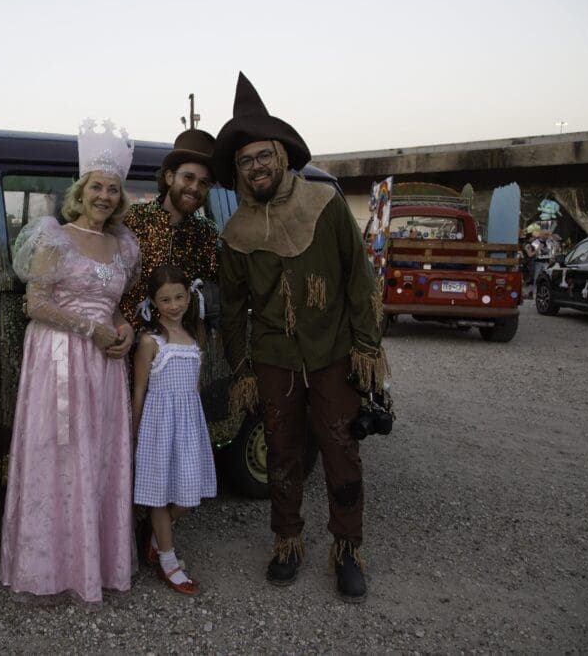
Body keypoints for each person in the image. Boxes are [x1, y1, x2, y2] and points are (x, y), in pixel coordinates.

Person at [214, 73, 388, 603]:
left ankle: (348, 549)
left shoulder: (326, 204)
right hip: (273, 359)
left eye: (263, 156)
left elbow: (358, 279)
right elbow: (232, 307)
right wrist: (242, 368)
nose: (257, 167)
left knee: (340, 450)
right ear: (239, 171)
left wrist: (365, 348)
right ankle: (287, 542)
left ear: (282, 156)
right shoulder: (236, 232)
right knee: (282, 452)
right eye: (246, 161)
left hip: (334, 353)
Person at [0, 119, 139, 603]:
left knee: (98, 459)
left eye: (113, 189)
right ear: (81, 191)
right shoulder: (53, 236)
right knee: (57, 457)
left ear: (120, 198)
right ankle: (49, 570)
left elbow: (114, 303)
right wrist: (92, 330)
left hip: (103, 364)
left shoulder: (123, 245)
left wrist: (125, 330)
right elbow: (34, 304)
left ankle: (95, 565)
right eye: (97, 187)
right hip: (58, 359)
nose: (104, 196)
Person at [131, 266, 217, 597]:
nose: (174, 305)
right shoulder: (150, 341)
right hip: (158, 425)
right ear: (153, 302)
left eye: (179, 296)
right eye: (165, 300)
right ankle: (168, 560)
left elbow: (193, 388)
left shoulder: (194, 338)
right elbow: (139, 390)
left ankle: (155, 535)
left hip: (187, 424)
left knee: (188, 494)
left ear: (188, 295)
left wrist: (195, 426)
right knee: (159, 494)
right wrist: (135, 432)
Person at [121, 129, 219, 331]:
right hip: (127, 346)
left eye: (203, 183)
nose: (194, 188)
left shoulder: (206, 232)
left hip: (179, 351)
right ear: (169, 177)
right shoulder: (132, 218)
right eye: (188, 178)